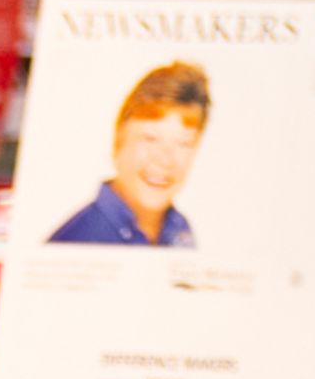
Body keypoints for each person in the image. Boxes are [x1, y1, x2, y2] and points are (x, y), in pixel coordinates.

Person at [45, 64, 210, 248]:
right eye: (150, 138)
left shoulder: (179, 230)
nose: (166, 159)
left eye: (183, 143)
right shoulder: (76, 242)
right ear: (119, 143)